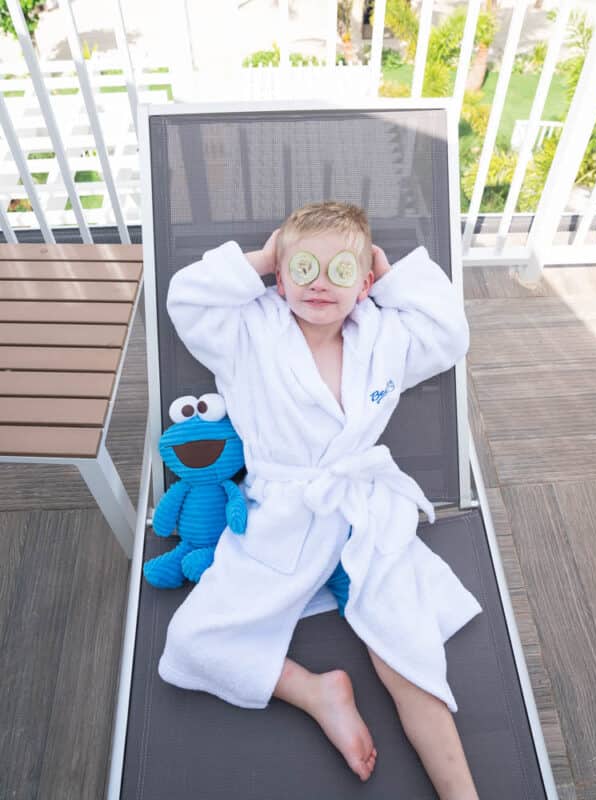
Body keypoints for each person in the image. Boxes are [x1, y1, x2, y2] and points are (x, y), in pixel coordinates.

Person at [159, 201, 482, 799]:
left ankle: (461, 790)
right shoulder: (245, 332)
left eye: (341, 271)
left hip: (363, 511)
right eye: (303, 266)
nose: (318, 282)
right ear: (280, 277)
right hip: (280, 516)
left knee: (405, 650)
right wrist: (261, 257)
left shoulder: (385, 338)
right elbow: (187, 297)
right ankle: (315, 691)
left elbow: (449, 333)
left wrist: (391, 277)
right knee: (191, 641)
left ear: (363, 284)